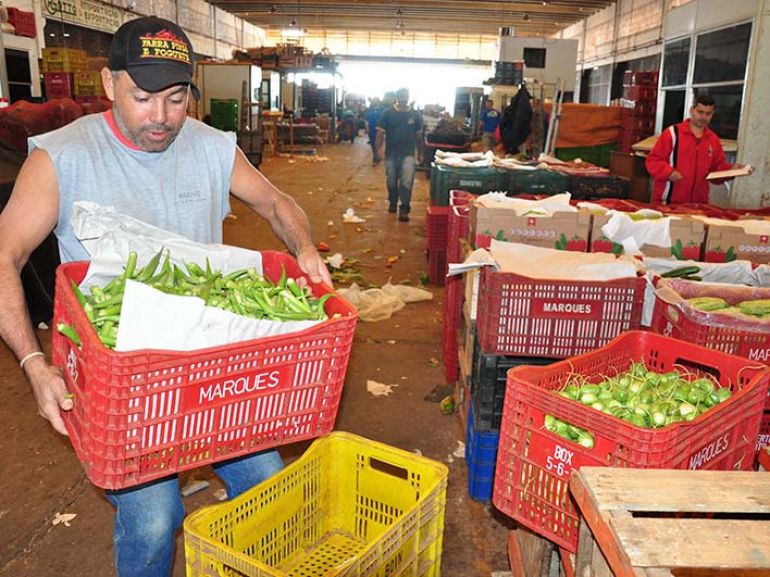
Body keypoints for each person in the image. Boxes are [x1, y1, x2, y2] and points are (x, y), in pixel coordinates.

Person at [0, 16, 331, 577]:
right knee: (154, 517)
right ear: (110, 84)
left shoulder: (208, 145)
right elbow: (4, 254)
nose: (161, 117)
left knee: (270, 485)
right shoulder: (61, 157)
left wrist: (304, 249)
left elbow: (276, 203)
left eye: (176, 99)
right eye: (143, 97)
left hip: (210, 363)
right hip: (127, 377)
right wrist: (34, 364)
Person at [646, 92, 748, 204]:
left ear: (712, 114)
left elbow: (716, 172)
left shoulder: (713, 140)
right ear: (692, 110)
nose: (704, 117)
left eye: (708, 114)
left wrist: (730, 171)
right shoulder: (672, 134)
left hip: (698, 206)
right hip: (668, 203)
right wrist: (668, 172)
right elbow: (652, 160)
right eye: (700, 112)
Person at [376, 87, 422, 222]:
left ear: (408, 97)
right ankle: (393, 201)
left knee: (406, 182)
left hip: (408, 154)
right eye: (401, 96)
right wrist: (378, 150)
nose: (403, 98)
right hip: (391, 154)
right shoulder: (388, 113)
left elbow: (419, 136)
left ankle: (404, 208)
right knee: (391, 180)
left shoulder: (415, 115)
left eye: (406, 96)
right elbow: (380, 133)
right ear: (397, 97)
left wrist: (420, 153)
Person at [365, 97, 384, 165]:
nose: (374, 102)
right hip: (371, 130)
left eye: (376, 100)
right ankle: (376, 156)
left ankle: (376, 158)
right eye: (373, 101)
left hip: (380, 130)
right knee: (373, 144)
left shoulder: (382, 109)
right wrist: (366, 128)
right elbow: (366, 120)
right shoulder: (370, 109)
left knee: (378, 144)